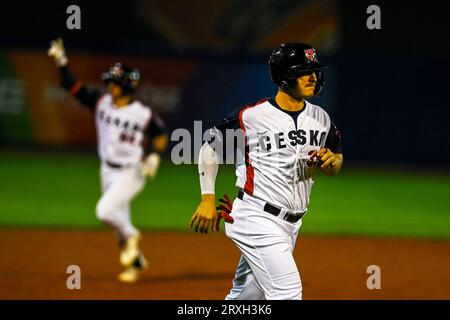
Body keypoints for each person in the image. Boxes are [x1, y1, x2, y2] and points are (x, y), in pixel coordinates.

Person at [189, 43, 343, 299]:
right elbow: (209, 147)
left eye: (314, 70)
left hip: (291, 224)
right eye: (305, 70)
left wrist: (332, 162)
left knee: (247, 298)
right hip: (256, 217)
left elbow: (336, 158)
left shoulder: (321, 118)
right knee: (288, 293)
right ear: (285, 76)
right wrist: (206, 198)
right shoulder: (252, 116)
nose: (313, 76)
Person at [48, 38, 168, 283]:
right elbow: (72, 86)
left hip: (131, 172)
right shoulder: (101, 101)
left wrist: (154, 157)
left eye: (114, 81)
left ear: (125, 84)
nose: (109, 85)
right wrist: (61, 61)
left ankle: (133, 236)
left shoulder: (142, 113)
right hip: (107, 170)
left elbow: (159, 135)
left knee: (105, 211)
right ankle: (136, 263)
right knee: (118, 223)